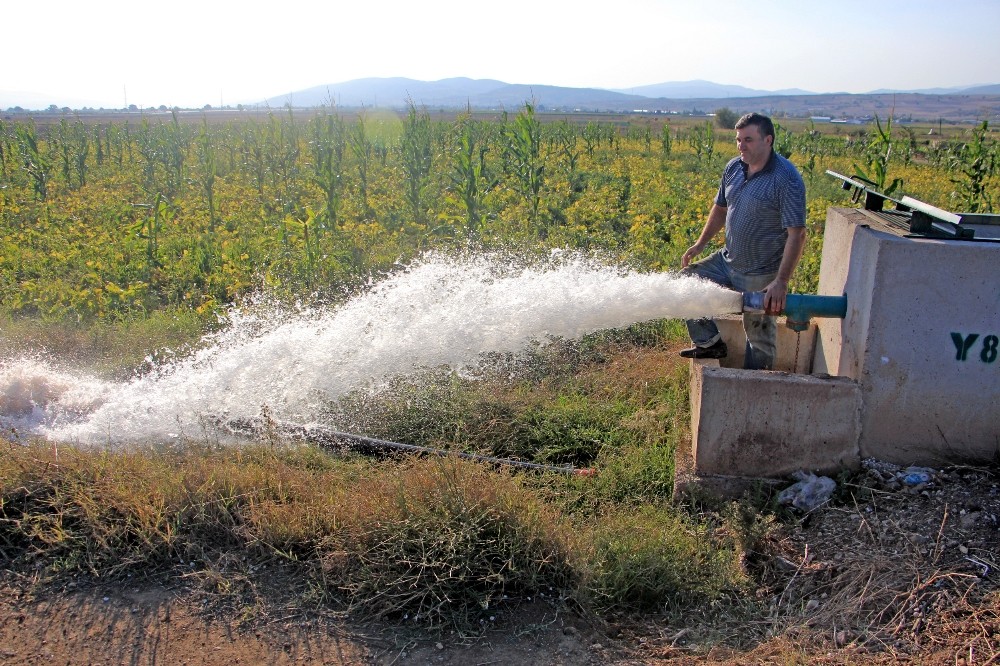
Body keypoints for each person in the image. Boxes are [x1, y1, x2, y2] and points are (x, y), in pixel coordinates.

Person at [678, 112, 806, 370]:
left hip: (761, 273)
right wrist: (701, 243)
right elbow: (721, 208)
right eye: (738, 139)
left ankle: (755, 388)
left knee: (758, 337)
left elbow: (797, 233)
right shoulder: (733, 168)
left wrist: (780, 282)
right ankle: (709, 342)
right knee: (684, 282)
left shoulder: (786, 179)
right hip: (727, 261)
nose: (740, 146)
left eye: (748, 139)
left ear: (767, 140)